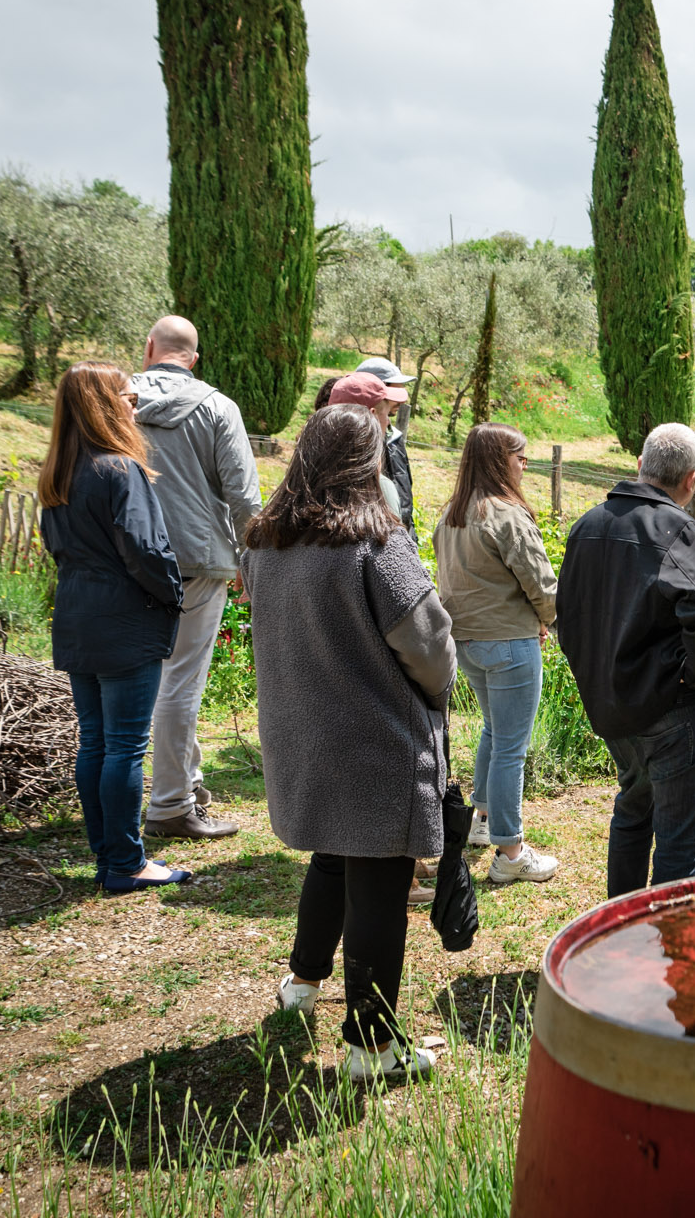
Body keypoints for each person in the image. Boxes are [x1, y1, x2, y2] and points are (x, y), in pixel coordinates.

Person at [244, 405, 455, 1081]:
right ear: (371, 465)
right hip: (372, 743)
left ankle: (302, 983)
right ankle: (372, 1046)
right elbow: (430, 647)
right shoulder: (376, 543)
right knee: (378, 887)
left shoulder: (266, 539)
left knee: (332, 861)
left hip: (301, 734)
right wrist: (436, 693)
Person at [557, 422, 695, 898]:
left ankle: (618, 930)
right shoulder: (676, 529)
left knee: (633, 810)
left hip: (613, 706)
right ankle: (669, 957)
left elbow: (567, 614)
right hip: (669, 709)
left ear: (640, 466)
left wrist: (592, 674)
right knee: (681, 843)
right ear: (692, 480)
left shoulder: (588, 524)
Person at [37, 362, 190, 894]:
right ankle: (126, 862)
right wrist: (173, 593)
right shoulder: (119, 469)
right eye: (128, 397)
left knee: (97, 741)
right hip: (124, 618)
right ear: (105, 405)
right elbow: (145, 548)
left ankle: (107, 855)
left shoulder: (59, 473)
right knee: (125, 743)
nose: (135, 406)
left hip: (77, 615)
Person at [129, 315, 261, 841]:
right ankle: (170, 805)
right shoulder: (216, 406)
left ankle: (187, 783)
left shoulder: (117, 400)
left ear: (149, 349)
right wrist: (253, 564)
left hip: (129, 558)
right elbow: (245, 498)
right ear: (195, 360)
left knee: (155, 676)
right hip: (199, 561)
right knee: (181, 681)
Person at [434, 422, 561, 885]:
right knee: (512, 747)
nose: (525, 464)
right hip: (509, 643)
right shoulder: (506, 513)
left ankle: (482, 820)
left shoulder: (452, 512)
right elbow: (540, 583)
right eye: (519, 456)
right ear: (497, 460)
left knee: (494, 730)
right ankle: (511, 851)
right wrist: (553, 620)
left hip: (465, 642)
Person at [325, 373, 409, 520]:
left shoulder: (302, 477)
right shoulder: (379, 489)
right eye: (387, 414)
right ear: (373, 417)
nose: (388, 422)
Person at [355, 357, 417, 531]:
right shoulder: (352, 443)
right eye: (396, 387)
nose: (402, 399)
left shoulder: (394, 438)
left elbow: (405, 500)